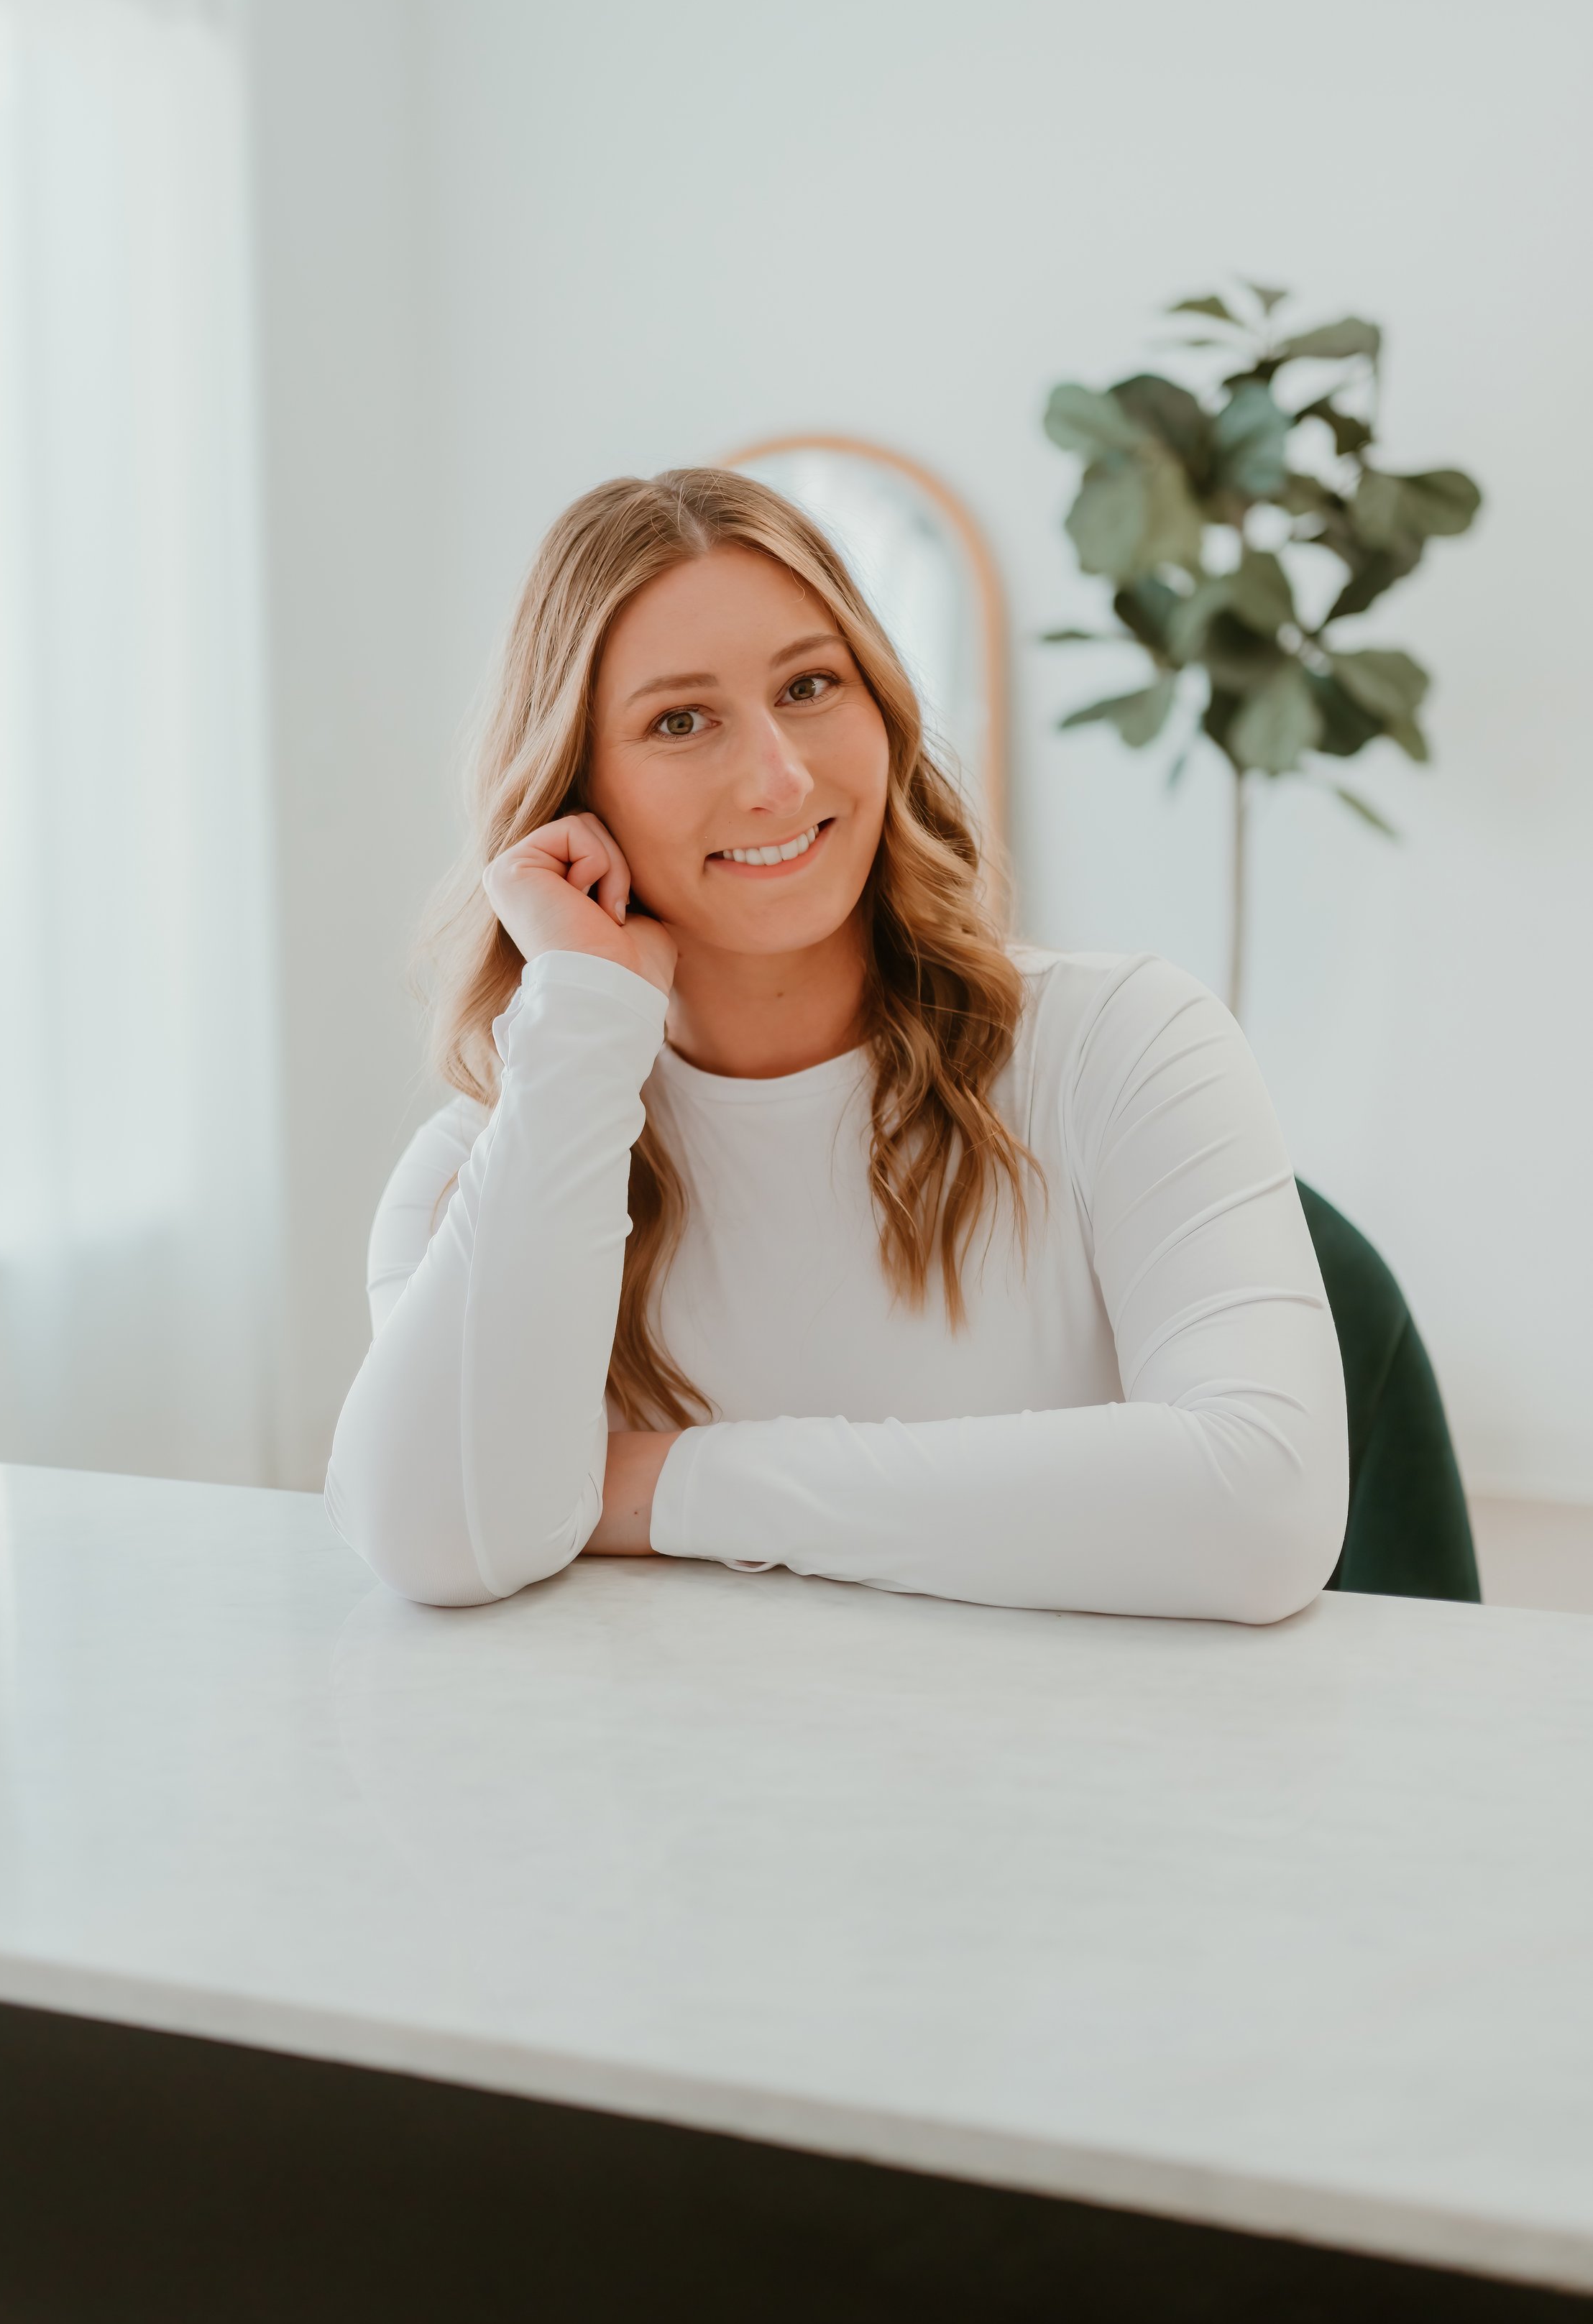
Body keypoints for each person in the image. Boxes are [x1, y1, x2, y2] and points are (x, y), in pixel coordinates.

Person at [326, 469, 1347, 1619]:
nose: (780, 777)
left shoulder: (1125, 1045)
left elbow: (1265, 1506)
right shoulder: (486, 1165)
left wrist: (665, 1482)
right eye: (680, 720)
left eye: (810, 685)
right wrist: (577, 1026)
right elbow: (433, 1539)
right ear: (574, 790)